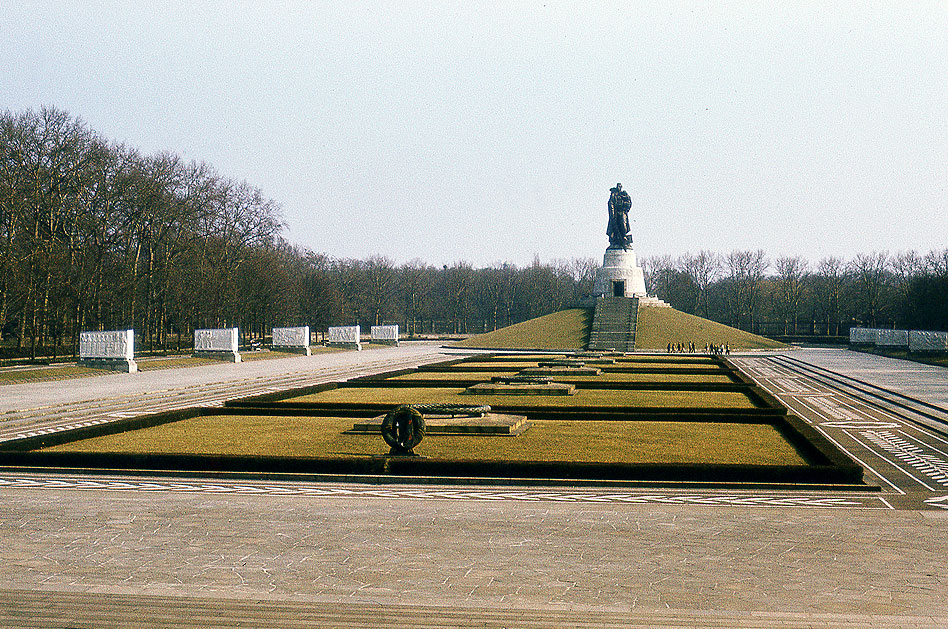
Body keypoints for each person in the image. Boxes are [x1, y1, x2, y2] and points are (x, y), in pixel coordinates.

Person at [606, 183, 633, 248]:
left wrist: (626, 208)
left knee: (623, 223)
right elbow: (611, 204)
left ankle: (624, 236)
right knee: (613, 226)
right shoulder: (613, 195)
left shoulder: (624, 194)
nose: (619, 188)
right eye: (618, 186)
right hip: (615, 213)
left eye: (620, 186)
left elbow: (629, 203)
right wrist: (612, 214)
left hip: (622, 212)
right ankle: (614, 239)